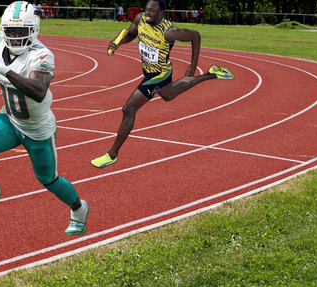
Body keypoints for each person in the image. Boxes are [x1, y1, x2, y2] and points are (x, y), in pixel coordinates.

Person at [0, 1, 89, 235]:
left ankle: (79, 208)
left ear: (34, 31)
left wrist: (5, 70)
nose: (15, 36)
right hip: (10, 119)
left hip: (37, 129)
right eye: (11, 31)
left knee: (48, 180)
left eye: (21, 31)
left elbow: (38, 92)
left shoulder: (41, 55)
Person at [91, 0, 234, 168]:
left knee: (128, 108)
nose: (147, 14)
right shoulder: (141, 19)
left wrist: (192, 66)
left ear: (161, 13)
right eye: (146, 10)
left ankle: (112, 154)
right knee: (169, 95)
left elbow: (195, 35)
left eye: (152, 12)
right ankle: (212, 74)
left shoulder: (169, 32)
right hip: (149, 71)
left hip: (159, 74)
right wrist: (118, 43)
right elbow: (131, 33)